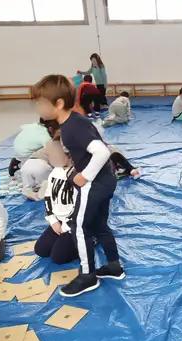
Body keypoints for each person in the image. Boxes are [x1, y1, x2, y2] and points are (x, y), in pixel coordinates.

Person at [33, 74, 124, 297]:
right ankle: (114, 266)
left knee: (80, 228)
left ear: (58, 104)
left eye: (41, 103)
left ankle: (87, 276)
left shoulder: (72, 126)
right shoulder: (72, 122)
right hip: (105, 181)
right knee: (100, 225)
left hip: (95, 183)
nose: (38, 108)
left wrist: (84, 176)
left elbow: (102, 152)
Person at [35, 140, 79, 266]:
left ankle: (91, 239)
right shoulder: (56, 171)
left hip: (76, 223)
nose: (48, 158)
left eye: (51, 155)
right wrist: (53, 220)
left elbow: (82, 206)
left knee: (58, 257)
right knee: (41, 250)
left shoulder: (78, 175)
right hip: (60, 220)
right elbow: (48, 195)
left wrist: (66, 226)